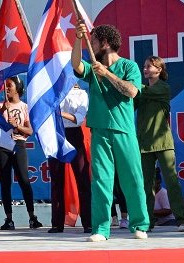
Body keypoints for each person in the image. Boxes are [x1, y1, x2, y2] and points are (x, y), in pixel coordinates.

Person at [72, 22, 150, 242]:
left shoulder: (129, 66)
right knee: (101, 181)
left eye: (93, 41)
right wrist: (78, 38)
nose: (91, 46)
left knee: (133, 179)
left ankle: (140, 224)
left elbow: (132, 91)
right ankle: (101, 229)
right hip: (99, 130)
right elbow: (76, 65)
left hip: (124, 130)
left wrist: (106, 74)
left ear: (105, 44)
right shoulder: (91, 67)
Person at [135, 55, 184, 232]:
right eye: (144, 66)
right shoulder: (141, 91)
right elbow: (131, 101)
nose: (145, 69)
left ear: (159, 70)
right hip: (144, 143)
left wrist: (130, 86)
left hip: (163, 142)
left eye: (149, 66)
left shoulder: (163, 88)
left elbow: (139, 91)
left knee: (171, 180)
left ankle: (182, 220)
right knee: (146, 185)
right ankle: (147, 222)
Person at [0, 76, 43, 230]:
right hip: (2, 146)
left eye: (10, 85)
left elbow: (29, 131)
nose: (6, 89)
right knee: (5, 182)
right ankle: (8, 219)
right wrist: (2, 110)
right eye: (5, 86)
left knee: (24, 180)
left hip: (18, 144)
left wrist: (17, 126)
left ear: (18, 88)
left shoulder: (24, 107)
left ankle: (32, 217)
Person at [48, 83, 91, 233]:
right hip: (57, 134)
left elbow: (79, 118)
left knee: (83, 179)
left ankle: (88, 222)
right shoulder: (53, 92)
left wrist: (59, 113)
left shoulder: (81, 94)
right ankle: (56, 224)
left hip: (74, 135)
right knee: (57, 180)